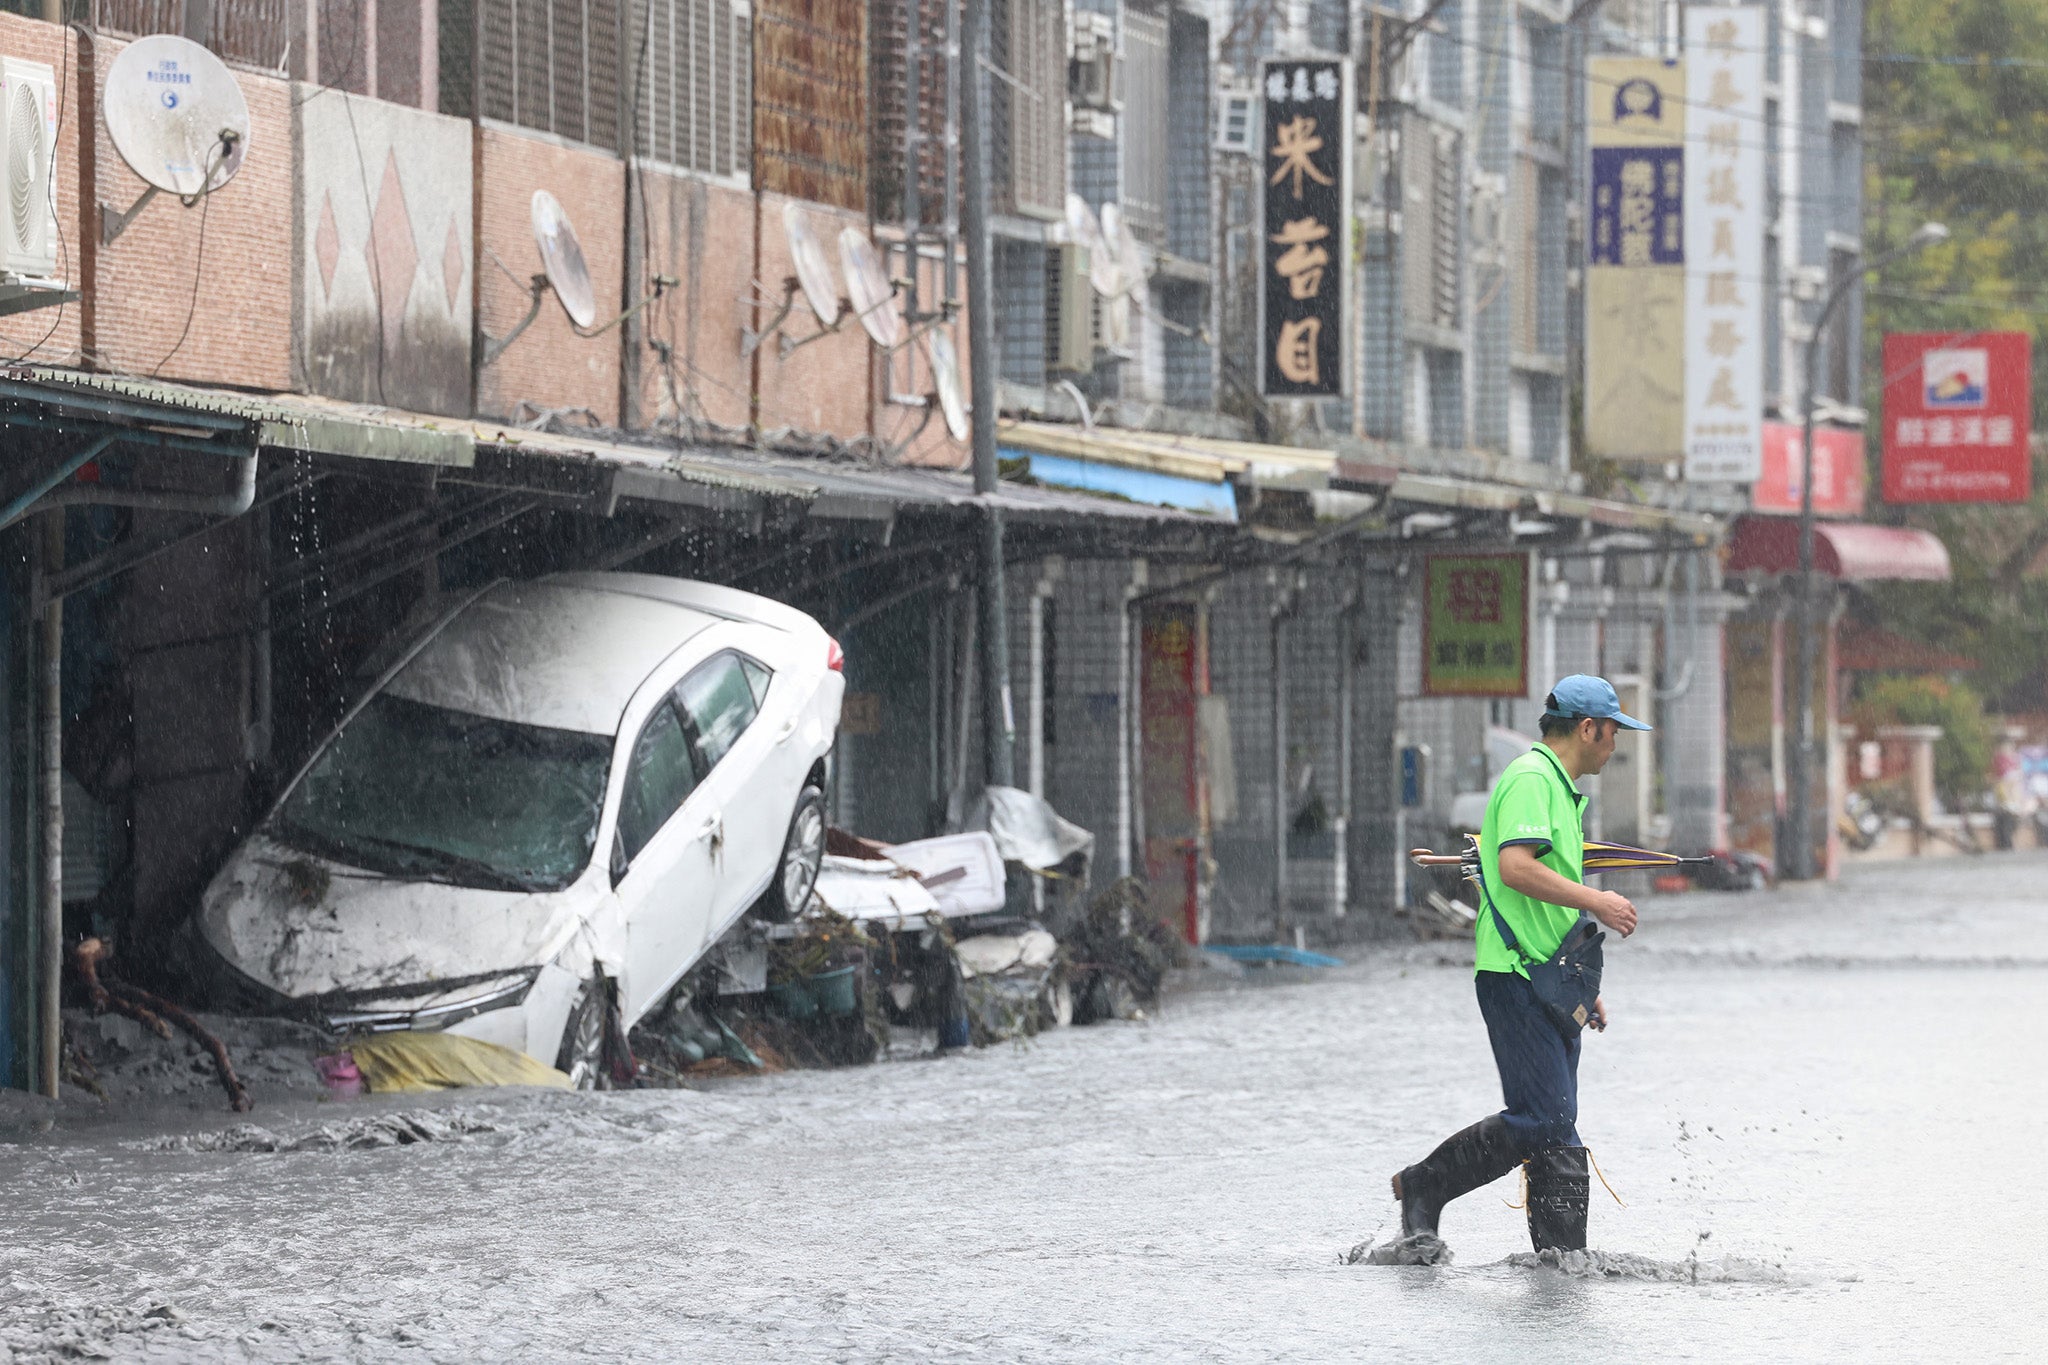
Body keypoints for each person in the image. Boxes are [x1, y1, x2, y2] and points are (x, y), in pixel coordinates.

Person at [1389, 675, 1648, 1255]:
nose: (1615, 745)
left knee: (1558, 1124)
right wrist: (1599, 901)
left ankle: (1561, 1262)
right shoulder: (1533, 779)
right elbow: (1515, 869)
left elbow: (1537, 897)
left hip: (1547, 977)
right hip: (1512, 975)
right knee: (1543, 1117)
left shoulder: (1557, 788)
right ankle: (1426, 1185)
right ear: (1588, 729)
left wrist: (1579, 982)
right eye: (1612, 733)